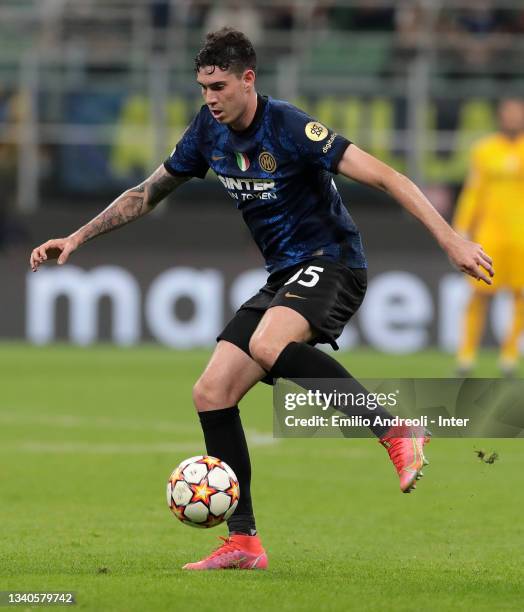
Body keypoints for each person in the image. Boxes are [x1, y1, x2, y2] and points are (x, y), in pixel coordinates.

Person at [30, 28, 494, 570]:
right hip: (284, 274)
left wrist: (450, 239)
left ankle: (396, 430)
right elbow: (145, 193)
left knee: (270, 341)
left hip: (334, 263)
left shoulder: (292, 127)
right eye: (203, 87)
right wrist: (78, 236)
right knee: (211, 390)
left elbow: (388, 177)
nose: (210, 98)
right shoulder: (208, 131)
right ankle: (244, 541)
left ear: (248, 79)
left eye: (220, 86)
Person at [454, 98, 524, 377]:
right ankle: (466, 356)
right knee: (478, 295)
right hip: (489, 234)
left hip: (521, 236)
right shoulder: (484, 150)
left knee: (520, 295)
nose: (512, 119)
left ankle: (509, 355)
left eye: (517, 114)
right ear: (500, 117)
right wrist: (461, 226)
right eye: (508, 114)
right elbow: (473, 191)